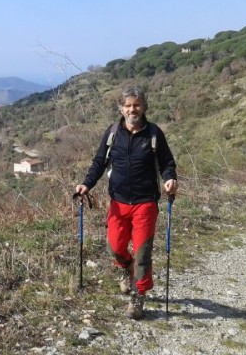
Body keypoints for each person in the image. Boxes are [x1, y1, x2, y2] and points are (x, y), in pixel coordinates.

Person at [75, 87, 178, 320]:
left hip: (145, 204)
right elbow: (99, 162)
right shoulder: (112, 133)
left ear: (144, 107)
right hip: (118, 203)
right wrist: (86, 184)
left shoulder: (153, 133)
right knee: (115, 247)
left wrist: (170, 178)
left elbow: (167, 163)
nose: (133, 109)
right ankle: (125, 268)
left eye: (137, 105)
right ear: (121, 108)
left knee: (142, 252)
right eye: (128, 105)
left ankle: (139, 295)